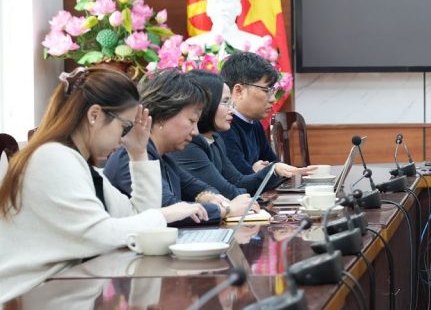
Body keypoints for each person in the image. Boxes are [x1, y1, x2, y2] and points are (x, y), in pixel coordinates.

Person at [0, 68, 207, 304]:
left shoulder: (77, 163)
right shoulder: (53, 158)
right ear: (95, 115)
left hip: (56, 295)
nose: (123, 137)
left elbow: (137, 216)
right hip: (29, 301)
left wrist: (138, 153)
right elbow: (100, 235)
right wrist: (165, 214)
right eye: (124, 127)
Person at [104, 69, 255, 223]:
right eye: (191, 121)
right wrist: (226, 209)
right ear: (163, 116)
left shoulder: (164, 157)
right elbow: (169, 210)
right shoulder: (130, 157)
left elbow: (200, 187)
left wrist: (207, 197)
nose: (196, 131)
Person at [170, 70, 313, 196]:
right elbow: (226, 191)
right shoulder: (189, 144)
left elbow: (238, 181)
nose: (231, 110)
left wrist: (274, 170)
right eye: (225, 102)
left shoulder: (216, 138)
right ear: (205, 105)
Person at [219, 51, 283, 175]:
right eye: (266, 90)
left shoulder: (254, 122)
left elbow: (275, 166)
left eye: (273, 90)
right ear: (239, 90)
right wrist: (255, 172)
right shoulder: (224, 126)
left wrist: (264, 171)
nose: (273, 99)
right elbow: (239, 179)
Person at [183, 0, 264, 52]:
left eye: (227, 1)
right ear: (208, 9)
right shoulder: (192, 45)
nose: (222, 7)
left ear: (238, 8)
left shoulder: (257, 44)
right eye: (216, 2)